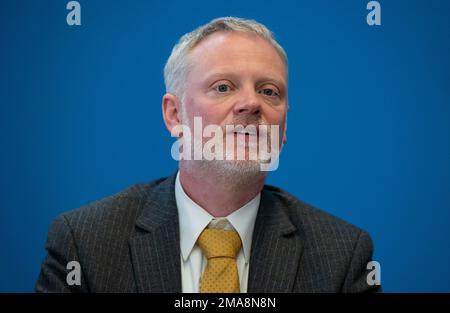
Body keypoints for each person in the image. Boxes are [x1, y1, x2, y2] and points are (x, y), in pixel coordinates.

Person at [36, 17, 380, 293]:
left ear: (284, 125)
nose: (251, 103)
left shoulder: (343, 256)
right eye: (223, 87)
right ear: (174, 115)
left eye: (269, 91)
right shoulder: (85, 243)